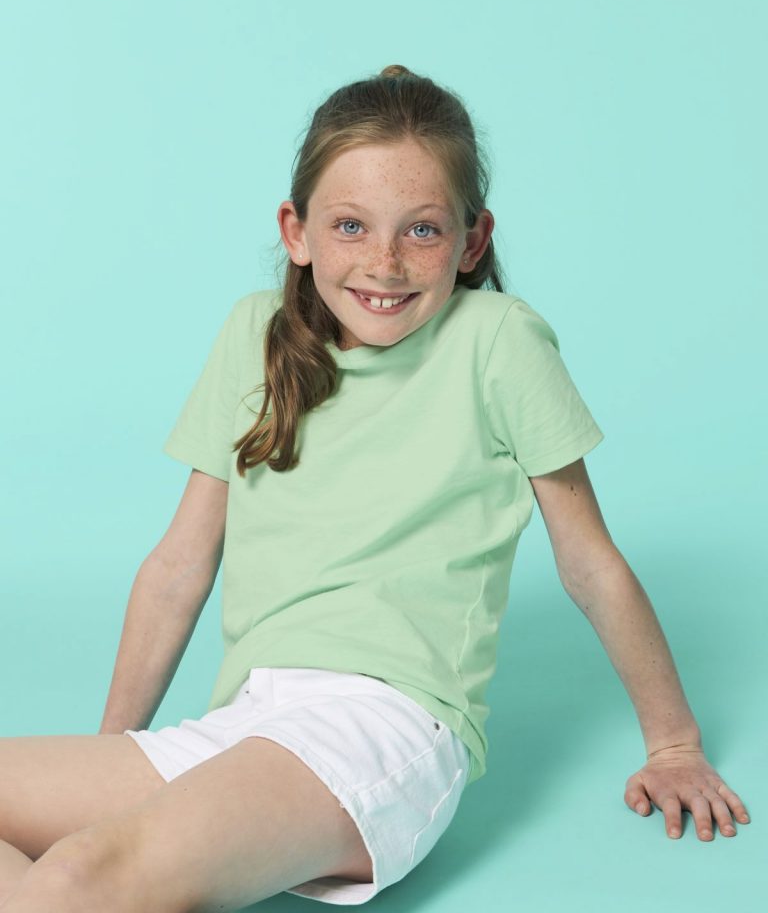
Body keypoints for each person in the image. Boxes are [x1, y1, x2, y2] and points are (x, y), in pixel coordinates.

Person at [0, 64, 749, 911]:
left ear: (472, 241)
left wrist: (674, 744)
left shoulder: (497, 342)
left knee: (78, 876)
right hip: (245, 719)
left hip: (379, 731)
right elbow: (178, 566)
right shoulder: (254, 334)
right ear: (297, 231)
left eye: (422, 230)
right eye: (350, 226)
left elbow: (589, 562)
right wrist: (112, 766)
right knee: (73, 866)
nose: (384, 264)